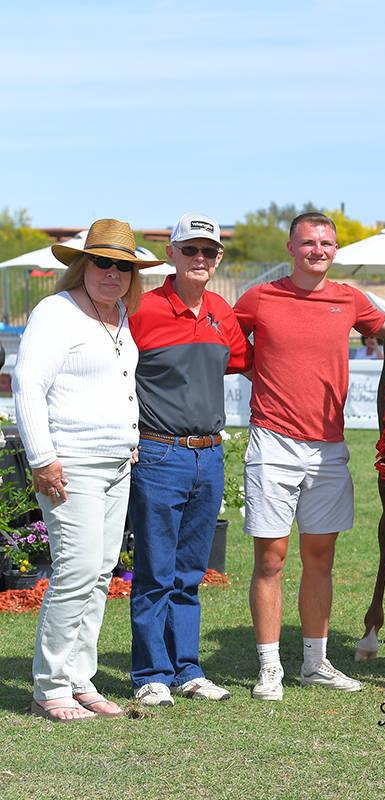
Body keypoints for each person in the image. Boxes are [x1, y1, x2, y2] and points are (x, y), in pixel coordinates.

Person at [234, 212, 385, 701]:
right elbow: (225, 340)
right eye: (309, 242)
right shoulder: (259, 298)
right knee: (270, 559)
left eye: (326, 244)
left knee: (321, 559)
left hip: (329, 449)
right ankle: (270, 667)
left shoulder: (349, 298)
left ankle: (315, 663)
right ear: (291, 248)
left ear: (335, 250)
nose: (318, 250)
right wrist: (259, 370)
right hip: (272, 443)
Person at [12, 219, 164, 721]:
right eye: (103, 262)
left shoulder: (119, 315)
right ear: (82, 264)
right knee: (76, 572)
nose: (113, 273)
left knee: (99, 574)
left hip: (116, 462)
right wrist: (42, 458)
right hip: (70, 463)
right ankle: (50, 686)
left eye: (124, 266)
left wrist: (129, 437)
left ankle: (79, 679)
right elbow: (27, 385)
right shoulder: (56, 312)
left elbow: (117, 384)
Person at [127, 214, 250, 707]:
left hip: (209, 455)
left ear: (218, 258)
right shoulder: (140, 309)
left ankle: (188, 670)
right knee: (155, 572)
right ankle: (150, 674)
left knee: (190, 573)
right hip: (158, 453)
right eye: (191, 249)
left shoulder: (222, 310)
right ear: (171, 254)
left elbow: (244, 362)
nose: (201, 258)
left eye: (209, 251)